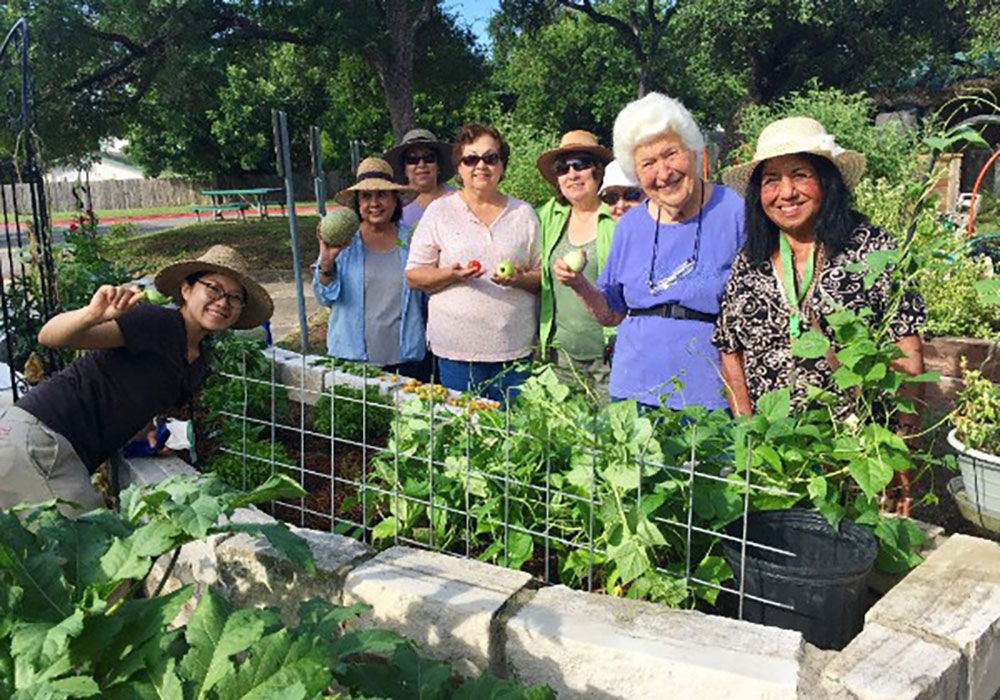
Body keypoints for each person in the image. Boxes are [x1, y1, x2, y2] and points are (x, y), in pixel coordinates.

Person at [0, 244, 273, 514]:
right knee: (89, 542)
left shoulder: (199, 361)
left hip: (57, 446)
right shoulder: (155, 322)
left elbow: (140, 392)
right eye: (213, 288)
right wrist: (93, 315)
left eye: (235, 298)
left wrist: (147, 431)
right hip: (41, 437)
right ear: (186, 290)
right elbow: (51, 337)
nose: (223, 302)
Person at [713, 116, 926, 418]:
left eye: (800, 175)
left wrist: (905, 448)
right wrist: (749, 434)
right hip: (775, 450)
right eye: (771, 179)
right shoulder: (751, 261)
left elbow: (907, 350)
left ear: (826, 181)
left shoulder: (871, 250)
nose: (786, 192)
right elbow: (730, 349)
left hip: (858, 449)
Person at [553, 93, 745, 410]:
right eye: (648, 163)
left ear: (693, 151)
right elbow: (611, 313)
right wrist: (579, 284)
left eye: (671, 154)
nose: (663, 172)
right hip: (633, 391)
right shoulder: (630, 226)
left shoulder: (733, 210)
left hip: (710, 395)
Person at [406, 123, 542, 403]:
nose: (481, 166)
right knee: (465, 437)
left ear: (502, 165)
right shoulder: (439, 212)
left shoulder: (523, 214)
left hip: (514, 353)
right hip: (456, 353)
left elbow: (542, 276)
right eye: (471, 159)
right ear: (459, 168)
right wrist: (450, 275)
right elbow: (414, 276)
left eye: (491, 158)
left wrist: (519, 279)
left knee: (514, 436)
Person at [313, 157, 430, 381]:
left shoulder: (414, 239)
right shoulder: (343, 241)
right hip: (352, 359)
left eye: (382, 195)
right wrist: (326, 262)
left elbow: (427, 295)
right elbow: (325, 298)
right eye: (366, 196)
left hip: (407, 360)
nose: (374, 203)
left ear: (395, 200)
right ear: (358, 203)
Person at [536, 130, 616, 403]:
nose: (572, 174)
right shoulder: (548, 216)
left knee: (611, 439)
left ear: (599, 171)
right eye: (563, 167)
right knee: (567, 438)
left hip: (610, 356)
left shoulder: (617, 215)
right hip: (563, 356)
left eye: (581, 164)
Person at [384, 128, 456, 228]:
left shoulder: (459, 200)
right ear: (404, 169)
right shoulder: (394, 209)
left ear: (438, 166)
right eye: (412, 159)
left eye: (428, 158)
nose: (421, 165)